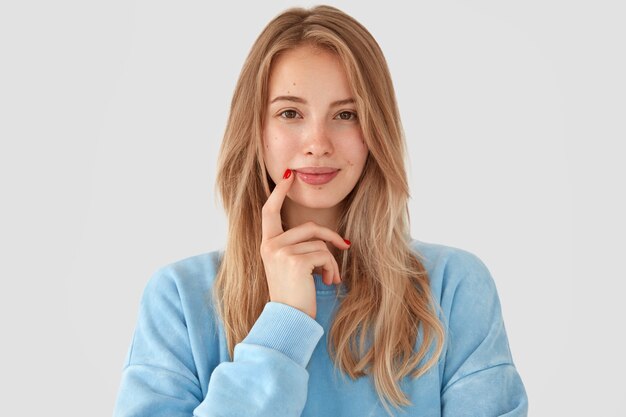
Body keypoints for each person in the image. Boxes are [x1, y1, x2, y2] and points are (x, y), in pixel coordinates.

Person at [112, 5, 528, 416]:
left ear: (375, 131)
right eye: (290, 113)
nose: (318, 142)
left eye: (346, 115)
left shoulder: (452, 288)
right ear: (255, 130)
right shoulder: (180, 299)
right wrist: (285, 323)